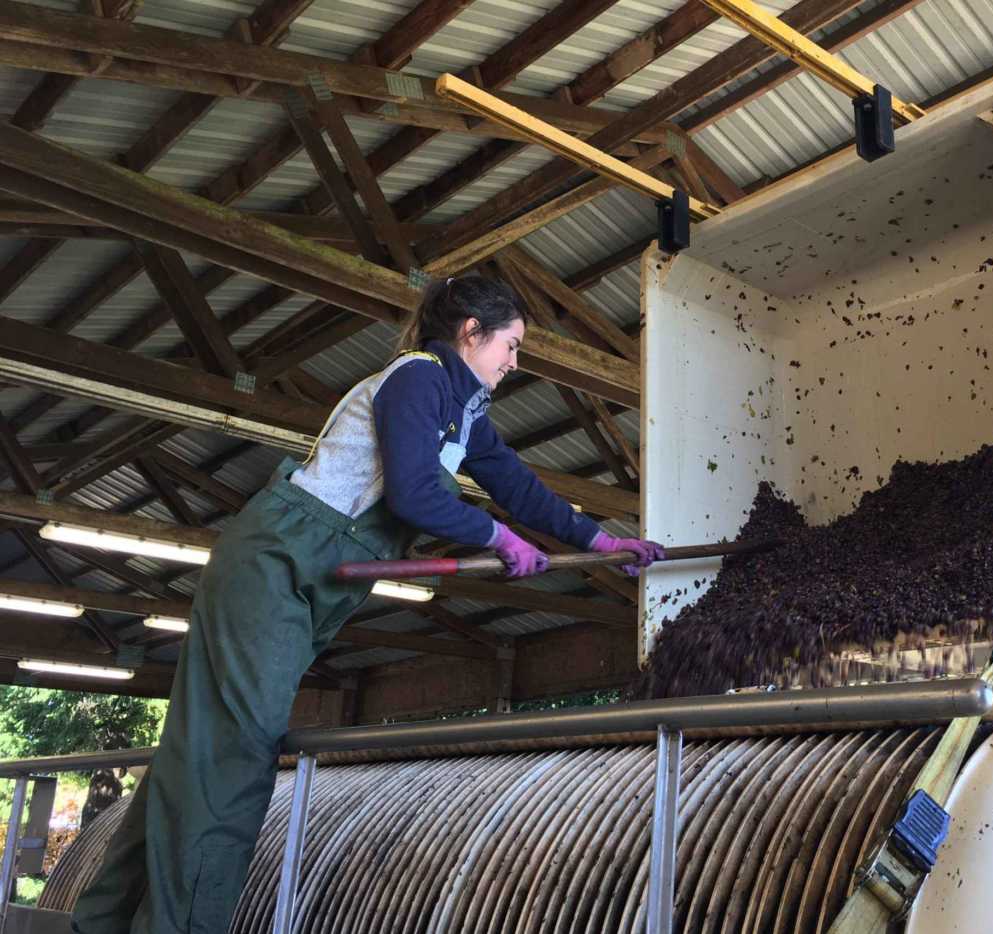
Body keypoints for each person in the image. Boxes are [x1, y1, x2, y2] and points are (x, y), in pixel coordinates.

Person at [71, 275, 663, 933]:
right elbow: (413, 493)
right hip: (278, 563)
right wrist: (496, 536)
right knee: (234, 763)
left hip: (313, 577)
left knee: (194, 755)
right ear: (470, 330)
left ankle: (97, 924)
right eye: (512, 345)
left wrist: (606, 540)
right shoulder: (415, 380)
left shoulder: (464, 415)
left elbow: (523, 491)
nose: (515, 363)